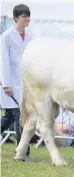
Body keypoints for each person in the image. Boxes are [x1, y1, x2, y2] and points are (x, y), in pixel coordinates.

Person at [1, 4, 33, 161]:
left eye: (28, 16)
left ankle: (22, 150)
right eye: (23, 16)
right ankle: (23, 152)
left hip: (26, 83)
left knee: (9, 117)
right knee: (20, 116)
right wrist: (6, 84)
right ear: (15, 18)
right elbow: (4, 61)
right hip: (12, 83)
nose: (27, 19)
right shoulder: (6, 36)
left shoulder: (31, 34)